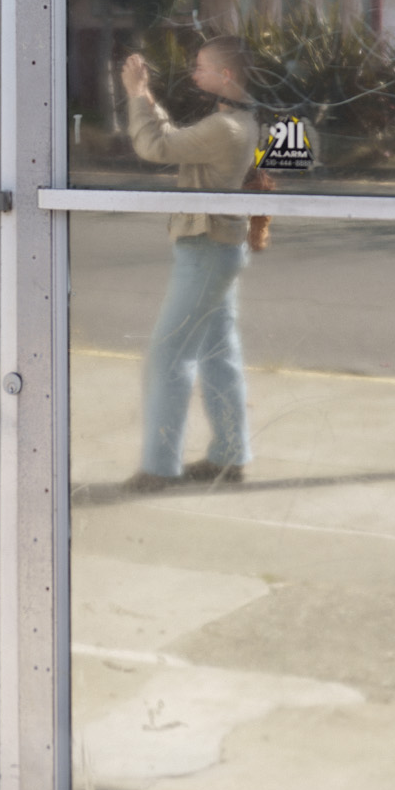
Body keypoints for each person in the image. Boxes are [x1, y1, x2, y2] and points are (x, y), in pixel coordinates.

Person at [120, 36, 259, 491]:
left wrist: (136, 95)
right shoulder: (237, 119)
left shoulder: (224, 128)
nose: (194, 73)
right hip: (219, 247)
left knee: (169, 355)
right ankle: (230, 456)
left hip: (205, 250)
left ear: (226, 75)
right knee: (219, 355)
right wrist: (148, 98)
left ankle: (159, 467)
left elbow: (156, 148)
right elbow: (174, 141)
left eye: (201, 67)